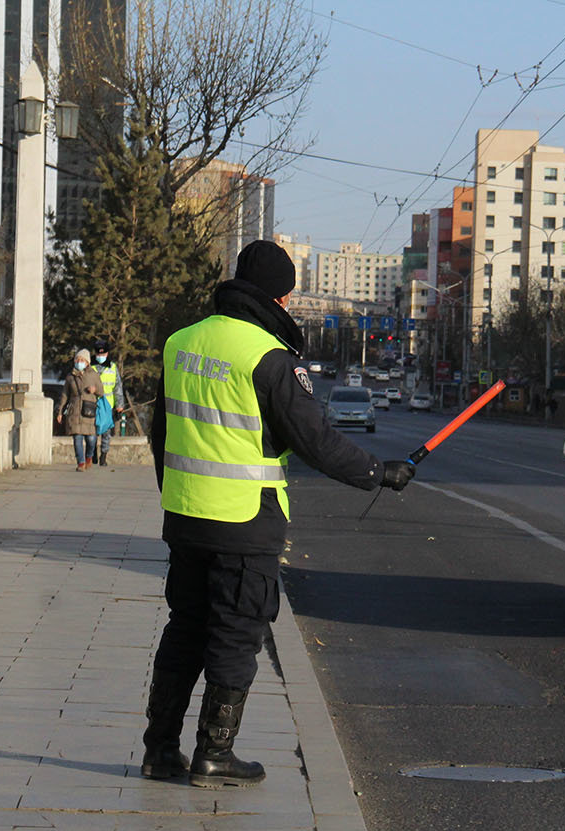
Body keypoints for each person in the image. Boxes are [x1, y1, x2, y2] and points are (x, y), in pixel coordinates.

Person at [145, 239, 416, 788]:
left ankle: (159, 750)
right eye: (288, 297)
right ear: (278, 297)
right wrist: (377, 473)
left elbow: (161, 433)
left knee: (185, 629)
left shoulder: (180, 342)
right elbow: (317, 442)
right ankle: (214, 753)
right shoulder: (268, 358)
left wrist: (174, 493)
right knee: (234, 634)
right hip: (245, 522)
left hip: (186, 515)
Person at [57, 348, 105, 471]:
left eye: (82, 360)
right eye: (77, 359)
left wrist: (94, 390)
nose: (79, 362)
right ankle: (81, 463)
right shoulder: (70, 376)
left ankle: (89, 457)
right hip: (75, 411)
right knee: (77, 438)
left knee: (91, 439)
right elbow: (65, 395)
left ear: (87, 362)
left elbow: (101, 391)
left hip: (89, 411)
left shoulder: (94, 375)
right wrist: (60, 411)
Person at [90, 340, 125, 466]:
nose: (101, 356)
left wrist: (119, 405)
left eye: (103, 354)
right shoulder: (90, 367)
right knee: (92, 431)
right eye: (98, 354)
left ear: (107, 353)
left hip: (108, 405)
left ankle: (103, 456)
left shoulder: (112, 367)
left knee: (106, 432)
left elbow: (118, 387)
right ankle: (92, 454)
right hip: (92, 403)